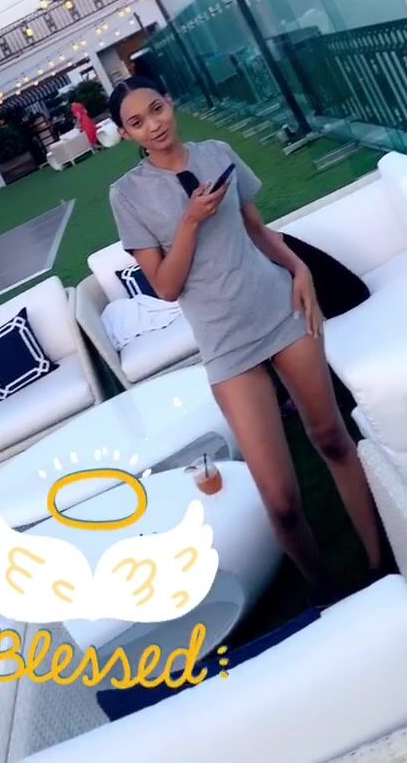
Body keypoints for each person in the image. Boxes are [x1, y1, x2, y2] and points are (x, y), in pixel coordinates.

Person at [108, 76, 388, 607]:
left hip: (280, 311)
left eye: (157, 109)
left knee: (332, 437)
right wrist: (190, 222)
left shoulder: (217, 152)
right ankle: (327, 596)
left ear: (170, 103)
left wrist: (299, 269)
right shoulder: (127, 195)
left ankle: (380, 564)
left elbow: (258, 231)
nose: (154, 125)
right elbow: (166, 286)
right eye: (137, 122)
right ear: (126, 135)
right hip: (227, 347)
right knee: (280, 499)